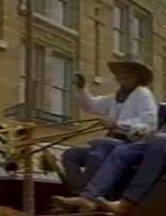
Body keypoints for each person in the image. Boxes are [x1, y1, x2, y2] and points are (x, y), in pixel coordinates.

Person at [53, 39, 166, 216]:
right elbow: (92, 105)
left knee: (142, 143)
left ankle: (127, 202)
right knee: (122, 151)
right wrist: (82, 89)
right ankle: (88, 198)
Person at [61, 55, 158, 194]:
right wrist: (82, 88)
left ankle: (89, 195)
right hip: (111, 143)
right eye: (121, 72)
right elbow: (91, 106)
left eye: (129, 72)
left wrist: (117, 124)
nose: (124, 75)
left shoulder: (143, 94)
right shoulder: (116, 96)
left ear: (137, 76)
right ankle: (79, 192)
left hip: (131, 145)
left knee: (100, 146)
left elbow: (149, 124)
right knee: (71, 154)